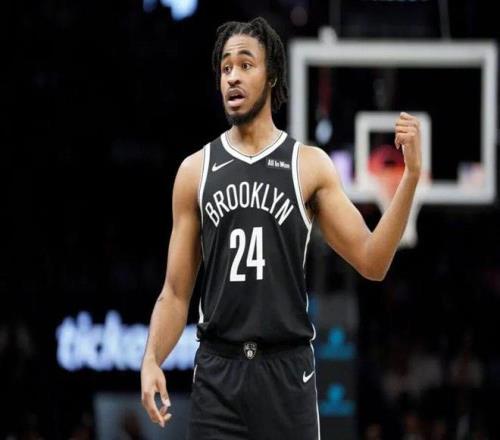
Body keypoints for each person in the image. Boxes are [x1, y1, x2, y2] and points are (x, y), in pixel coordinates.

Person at [140, 17, 422, 440]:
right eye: (225, 67)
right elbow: (176, 293)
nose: (233, 76)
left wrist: (410, 177)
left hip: (286, 373)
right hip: (218, 373)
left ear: (271, 75)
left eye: (245, 64)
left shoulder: (307, 165)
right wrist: (150, 360)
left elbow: (373, 261)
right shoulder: (195, 171)